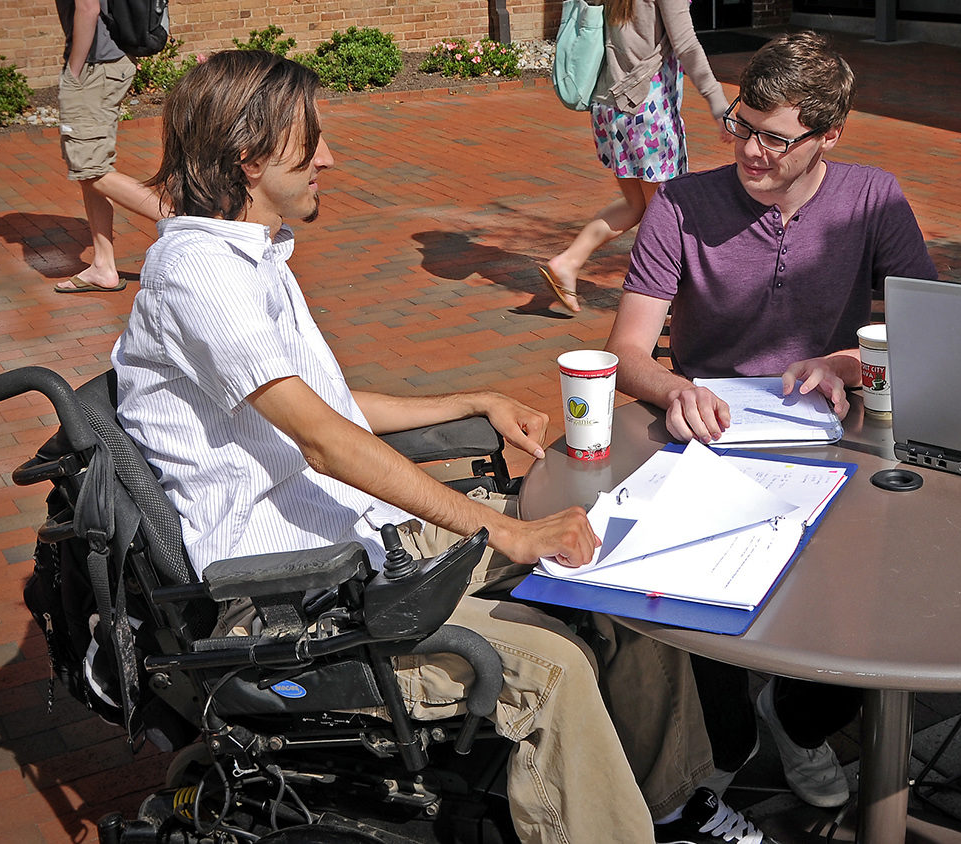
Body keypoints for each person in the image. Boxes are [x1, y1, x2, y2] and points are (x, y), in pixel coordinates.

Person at [111, 50, 778, 844]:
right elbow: (326, 442)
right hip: (294, 593)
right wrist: (504, 530)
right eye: (310, 140)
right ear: (250, 158)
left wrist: (473, 398)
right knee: (551, 671)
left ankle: (673, 805)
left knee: (615, 575)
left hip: (357, 542)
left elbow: (319, 404)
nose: (328, 156)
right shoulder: (201, 274)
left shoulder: (247, 252)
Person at [603, 31, 937, 807]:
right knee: (694, 604)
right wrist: (670, 387)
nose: (753, 152)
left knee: (873, 606)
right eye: (743, 127)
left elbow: (929, 326)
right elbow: (626, 349)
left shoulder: (872, 196)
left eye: (777, 140)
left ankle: (797, 719)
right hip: (709, 440)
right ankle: (728, 738)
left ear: (829, 136)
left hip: (837, 438)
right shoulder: (684, 204)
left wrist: (851, 364)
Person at [538, 0, 730, 314]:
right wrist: (718, 101)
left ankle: (568, 262)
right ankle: (662, 298)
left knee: (636, 205)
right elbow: (686, 44)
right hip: (647, 111)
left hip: (610, 107)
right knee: (668, 214)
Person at [54, 0, 167, 293]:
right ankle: (103, 265)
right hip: (104, 63)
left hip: (93, 67)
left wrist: (73, 72)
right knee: (90, 169)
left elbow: (88, 7)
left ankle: (182, 220)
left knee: (91, 170)